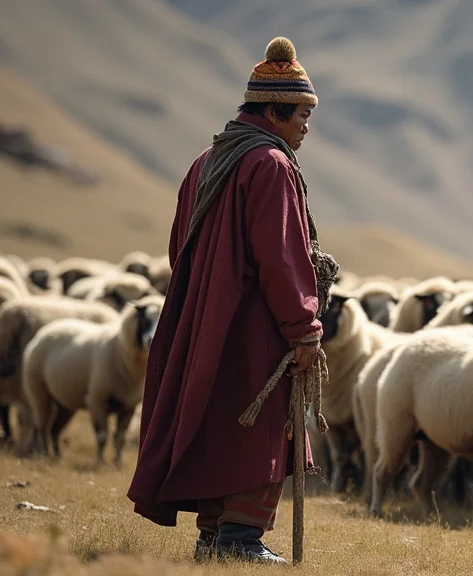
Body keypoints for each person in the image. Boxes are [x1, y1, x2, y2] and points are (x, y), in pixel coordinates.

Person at [126, 36, 338, 564]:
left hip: (206, 315)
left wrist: (205, 299)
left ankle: (214, 537)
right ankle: (240, 541)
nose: (307, 126)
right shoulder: (270, 164)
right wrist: (303, 328)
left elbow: (180, 244)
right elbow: (282, 255)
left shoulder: (209, 158)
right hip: (254, 323)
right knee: (260, 424)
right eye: (302, 114)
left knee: (218, 422)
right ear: (274, 109)